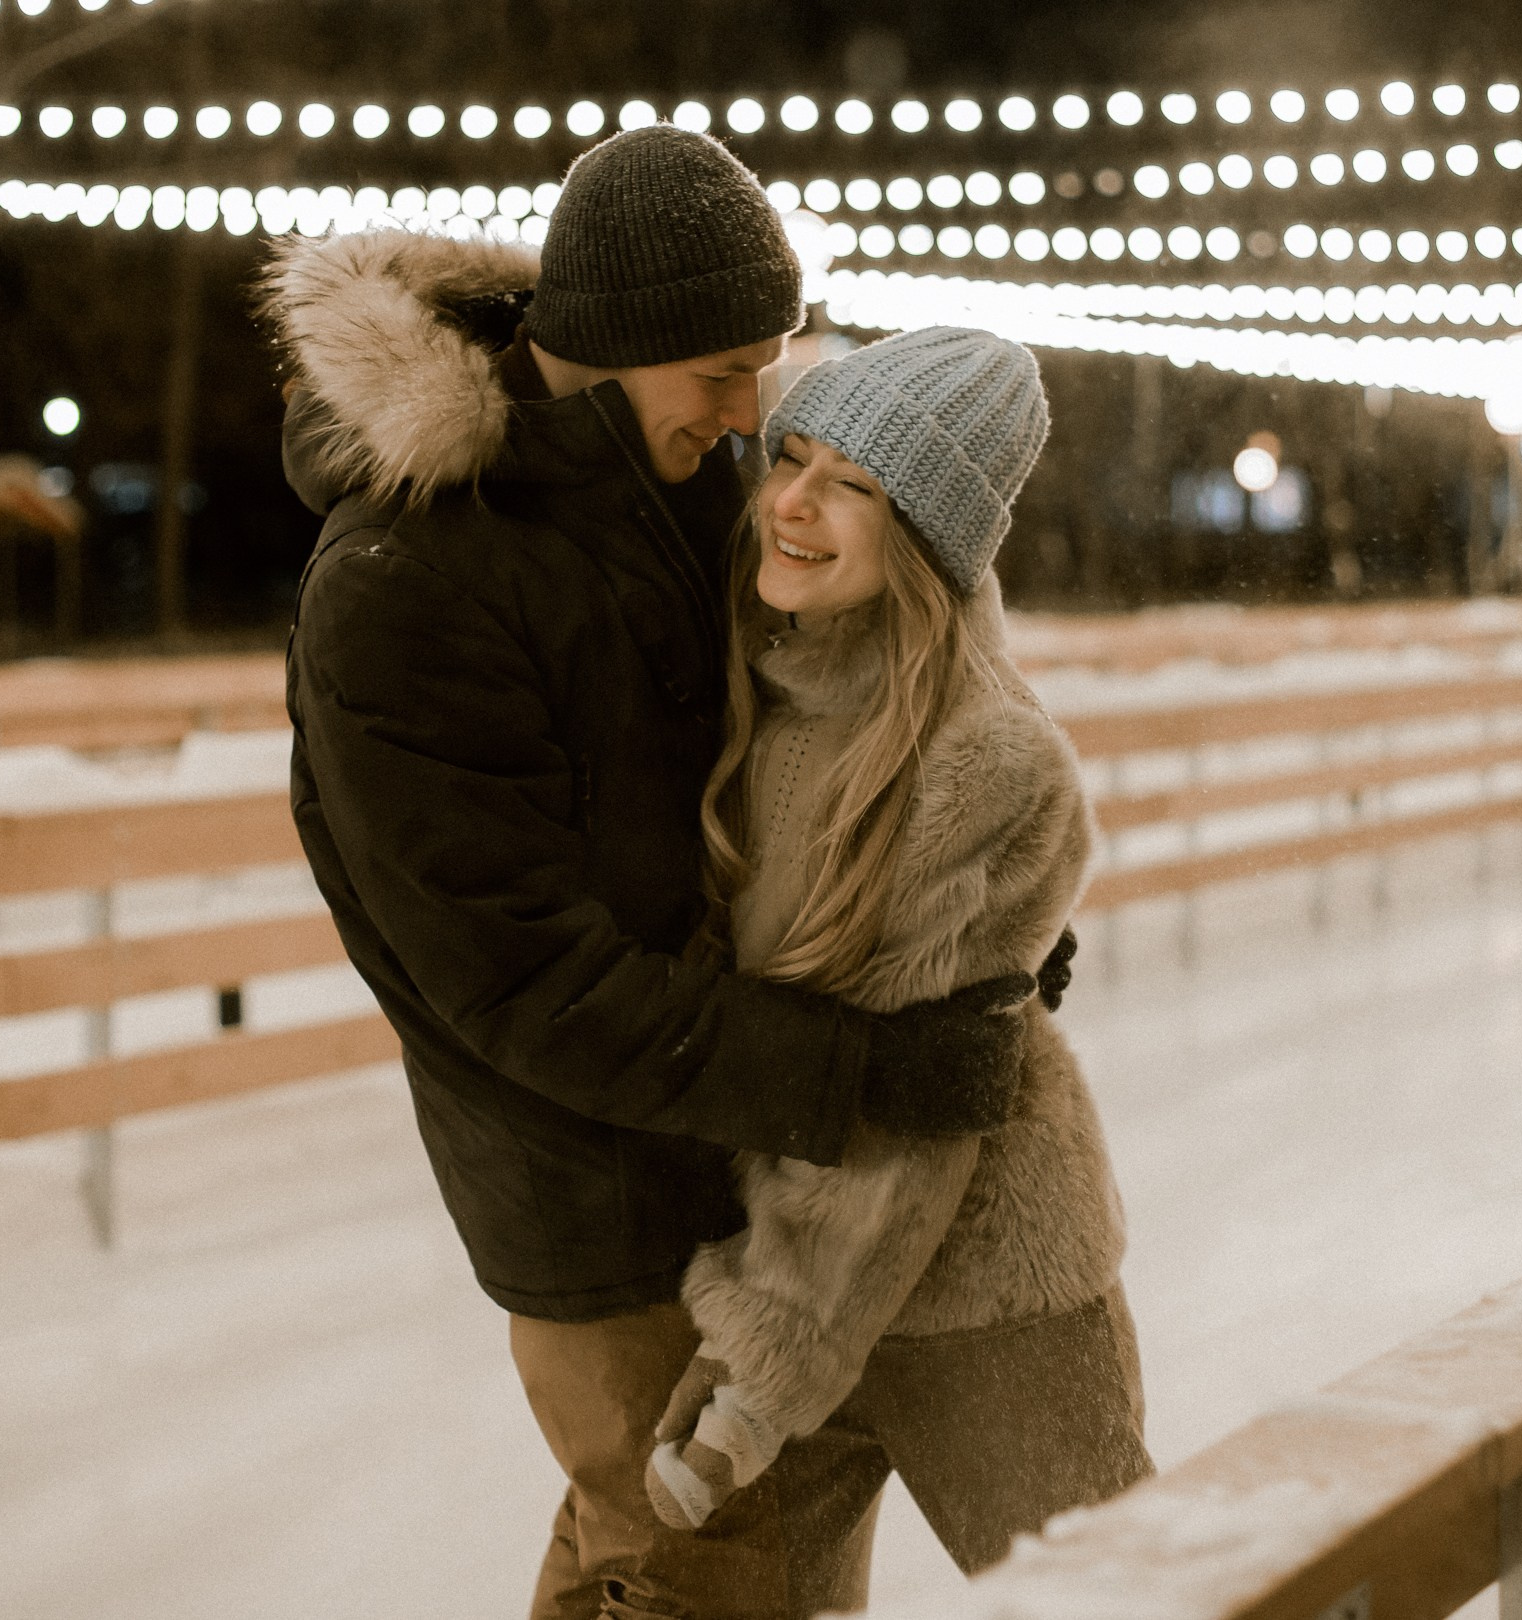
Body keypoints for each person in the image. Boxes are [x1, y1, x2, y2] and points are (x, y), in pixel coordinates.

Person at [265, 127, 1069, 1619]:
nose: (755, 412)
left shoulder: (679, 478)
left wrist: (942, 922)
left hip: (725, 1142)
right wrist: (862, 1071)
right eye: (721, 374)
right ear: (615, 350)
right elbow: (525, 984)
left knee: (658, 1572)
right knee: (705, 1578)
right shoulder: (406, 583)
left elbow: (820, 710)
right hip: (591, 1192)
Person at [643, 328, 1152, 1588]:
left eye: (854, 486)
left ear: (926, 534)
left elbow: (905, 1119)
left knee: (1115, 1605)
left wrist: (761, 1368)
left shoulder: (984, 764)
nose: (794, 502)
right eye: (793, 458)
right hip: (783, 1269)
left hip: (985, 1299)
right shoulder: (763, 674)